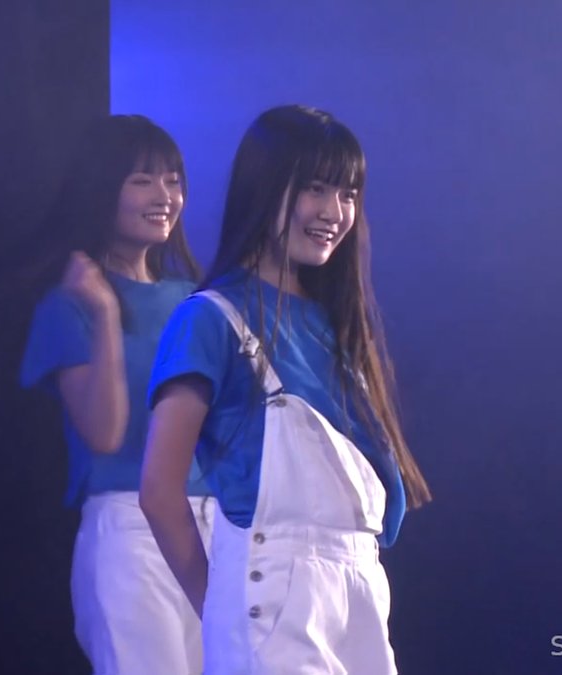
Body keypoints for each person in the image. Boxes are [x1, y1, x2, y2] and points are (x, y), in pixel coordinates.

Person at [140, 104, 431, 674]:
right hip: (270, 588)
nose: (334, 212)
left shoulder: (336, 323)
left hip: (360, 585)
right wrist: (219, 604)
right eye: (315, 188)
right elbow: (158, 488)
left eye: (348, 193)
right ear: (265, 187)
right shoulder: (212, 317)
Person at [18, 114, 213, 675]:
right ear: (102, 187)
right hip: (130, 527)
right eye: (142, 180)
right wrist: (105, 313)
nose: (165, 196)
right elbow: (104, 434)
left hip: (215, 525)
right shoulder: (70, 305)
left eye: (173, 180)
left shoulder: (195, 299)